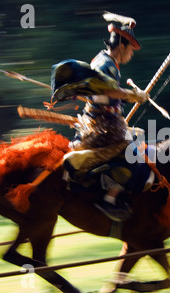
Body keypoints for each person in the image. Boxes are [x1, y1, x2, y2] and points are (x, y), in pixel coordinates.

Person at [49, 12, 149, 221]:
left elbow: (105, 92)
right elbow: (109, 90)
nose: (131, 54)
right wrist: (133, 95)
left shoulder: (105, 61)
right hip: (103, 126)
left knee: (139, 139)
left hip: (106, 122)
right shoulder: (106, 64)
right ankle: (109, 199)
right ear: (122, 45)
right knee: (133, 156)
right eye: (131, 49)